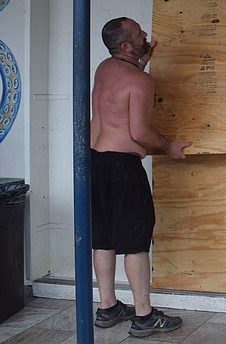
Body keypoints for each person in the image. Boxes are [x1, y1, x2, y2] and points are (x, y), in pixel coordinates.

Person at [90, 17, 192, 338]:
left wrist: (142, 60)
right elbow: (139, 132)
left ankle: (108, 307)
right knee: (135, 242)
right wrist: (168, 145)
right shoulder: (141, 82)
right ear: (126, 45)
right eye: (138, 34)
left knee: (103, 238)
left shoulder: (104, 68)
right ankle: (144, 316)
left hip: (95, 162)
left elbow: (122, 96)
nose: (145, 34)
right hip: (123, 167)